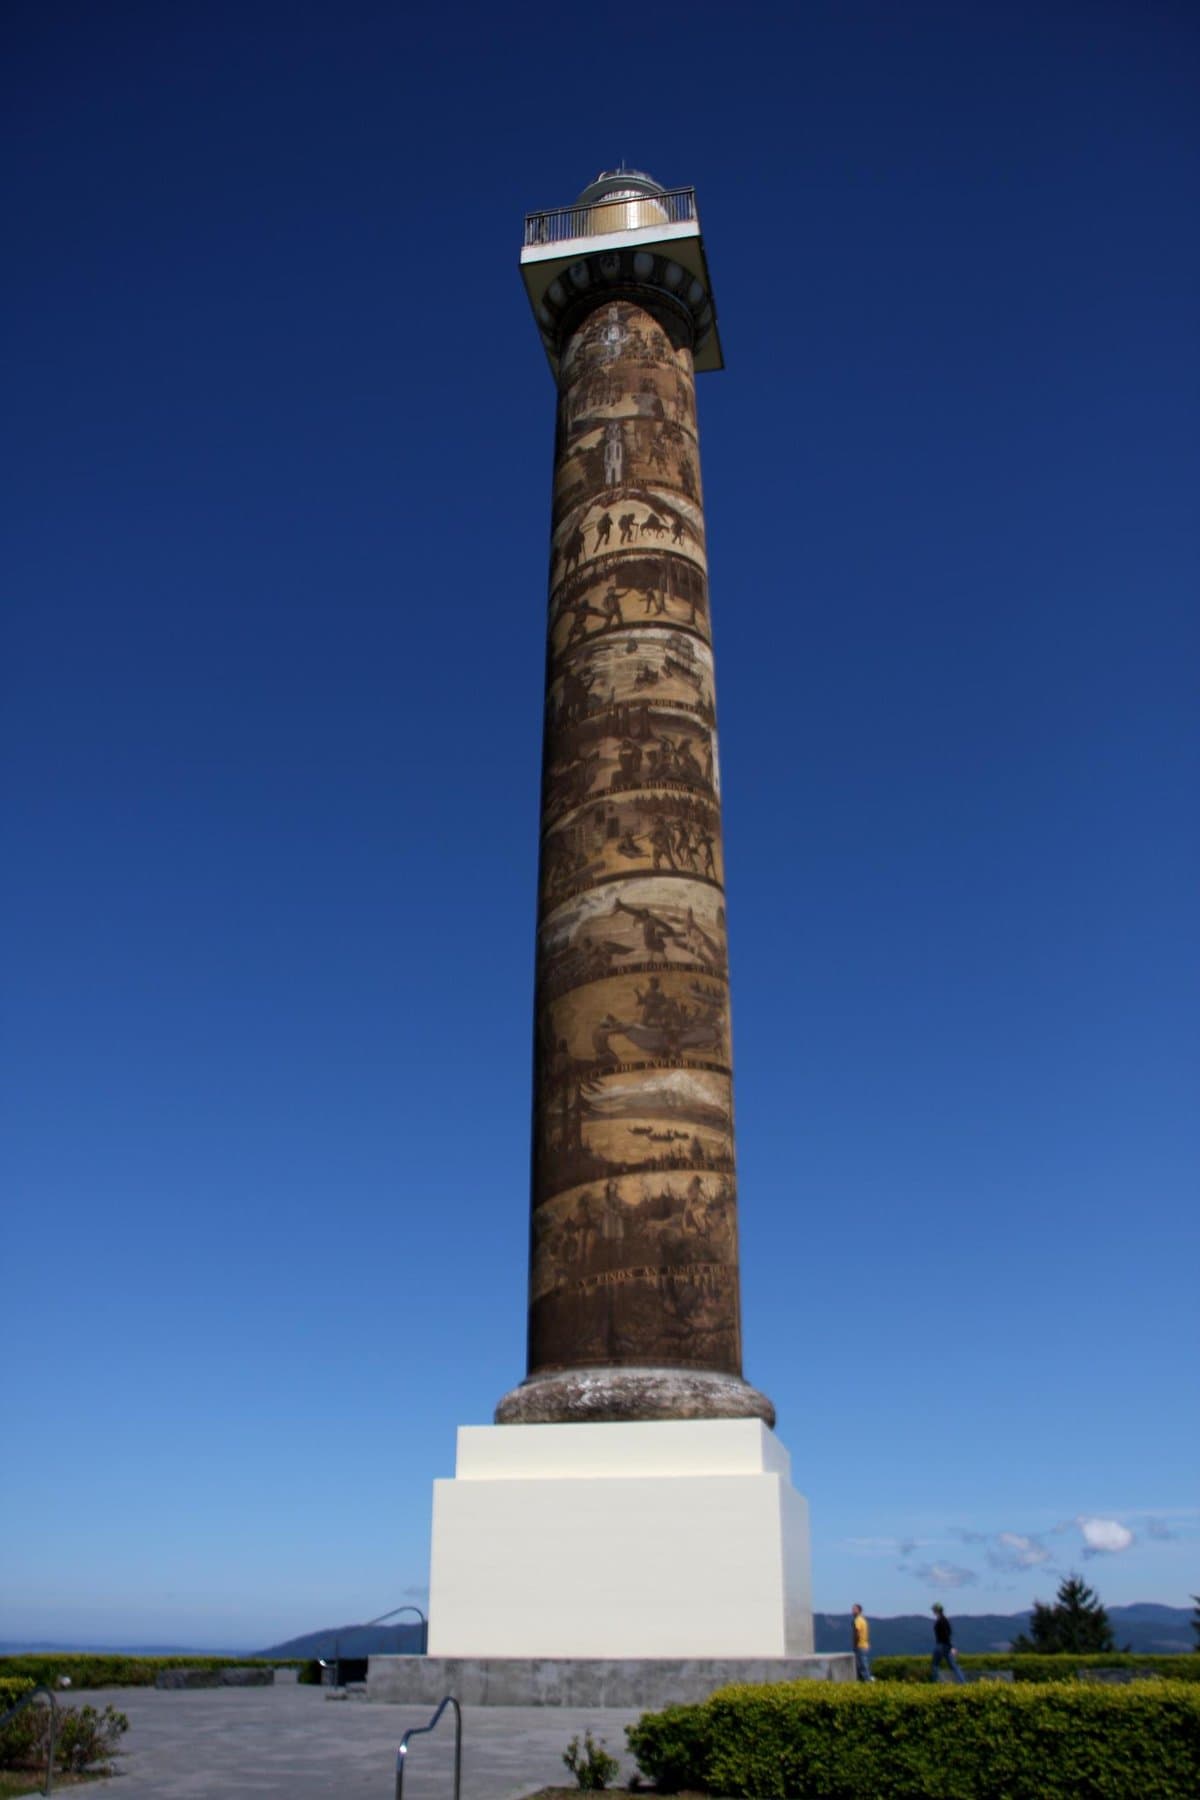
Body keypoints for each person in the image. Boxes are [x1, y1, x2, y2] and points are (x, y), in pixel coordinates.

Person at [930, 1603, 966, 1682]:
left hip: (941, 1645)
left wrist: (952, 1647)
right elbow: (949, 1633)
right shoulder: (944, 1620)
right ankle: (962, 1682)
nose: (933, 1611)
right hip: (946, 1646)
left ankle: (934, 1682)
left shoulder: (941, 1621)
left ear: (936, 1610)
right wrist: (951, 1646)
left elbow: (946, 1635)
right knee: (954, 1666)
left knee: (935, 1665)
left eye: (934, 1610)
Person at [851, 1604, 874, 1682]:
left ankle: (867, 1681)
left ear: (859, 1610)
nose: (852, 1611)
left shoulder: (857, 1620)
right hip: (865, 1645)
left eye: (854, 1609)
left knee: (862, 1665)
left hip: (860, 1645)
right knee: (863, 1664)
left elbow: (857, 1633)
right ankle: (865, 1680)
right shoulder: (863, 1620)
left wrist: (854, 1644)